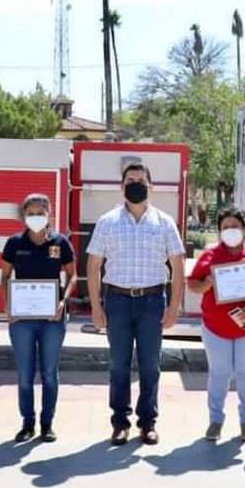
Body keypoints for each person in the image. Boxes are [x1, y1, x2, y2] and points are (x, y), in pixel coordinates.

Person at [87, 162, 186, 445]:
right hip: (116, 301)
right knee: (118, 364)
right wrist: (96, 306)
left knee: (150, 365)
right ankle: (120, 423)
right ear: (121, 186)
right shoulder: (107, 222)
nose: (135, 184)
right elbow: (93, 265)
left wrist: (174, 307)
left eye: (141, 180)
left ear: (151, 186)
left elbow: (178, 267)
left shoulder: (164, 223)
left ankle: (148, 422)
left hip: (152, 301)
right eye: (130, 180)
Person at [187, 206, 245, 442]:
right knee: (219, 374)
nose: (230, 231)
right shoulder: (209, 257)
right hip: (215, 329)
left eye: (235, 227)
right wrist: (206, 285)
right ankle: (215, 421)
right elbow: (193, 284)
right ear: (219, 231)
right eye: (225, 227)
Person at [0, 194, 78, 442]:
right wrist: (8, 304)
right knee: (24, 373)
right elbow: (4, 276)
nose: (36, 217)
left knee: (48, 372)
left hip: (52, 319)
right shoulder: (14, 243)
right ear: (24, 215)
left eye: (40, 212)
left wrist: (63, 300)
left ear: (49, 214)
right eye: (31, 213)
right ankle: (27, 423)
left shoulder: (60, 243)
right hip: (22, 319)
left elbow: (72, 275)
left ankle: (47, 424)